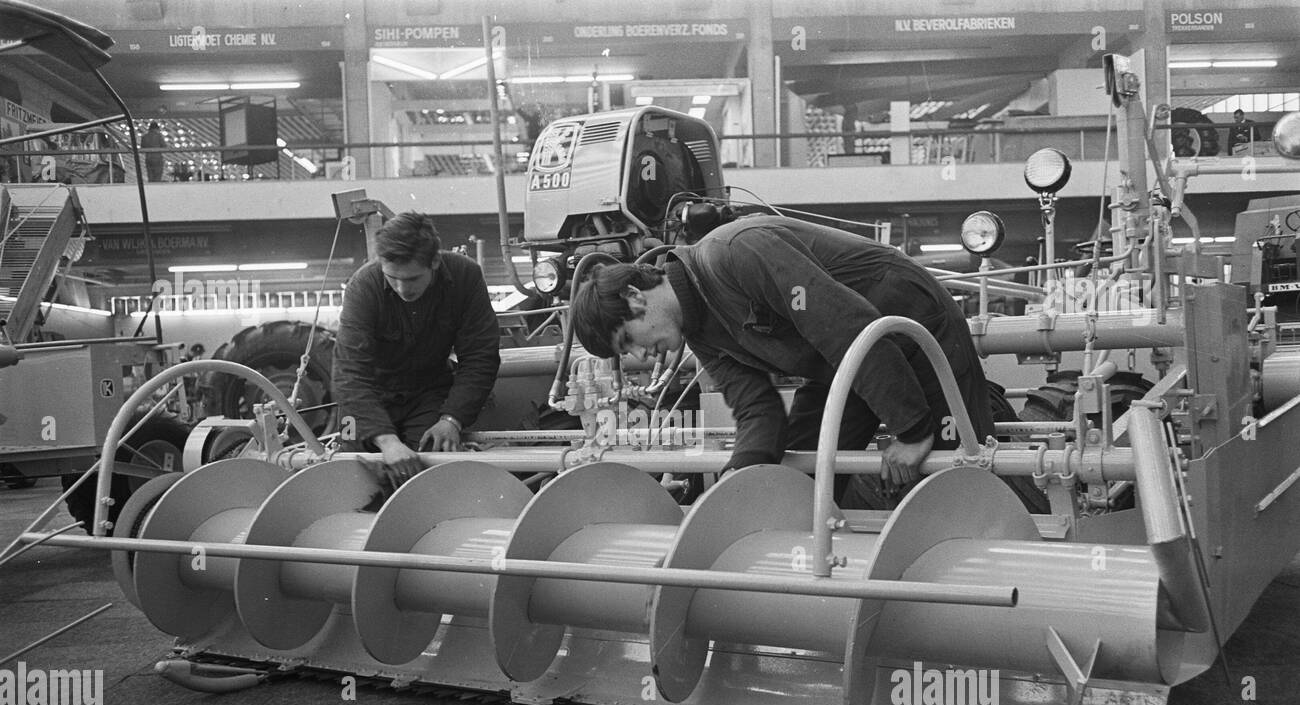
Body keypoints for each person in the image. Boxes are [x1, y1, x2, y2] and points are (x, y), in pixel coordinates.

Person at [568, 215, 996, 498]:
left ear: (634, 297)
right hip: (842, 361)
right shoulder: (699, 330)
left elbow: (843, 325)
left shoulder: (736, 253)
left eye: (628, 340)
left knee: (956, 474)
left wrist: (912, 428)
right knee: (794, 482)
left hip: (910, 323)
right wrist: (739, 480)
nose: (641, 354)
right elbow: (757, 408)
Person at [332, 212, 501, 487]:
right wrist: (386, 441)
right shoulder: (363, 285)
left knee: (429, 465)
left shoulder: (465, 277)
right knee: (350, 464)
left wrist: (452, 419)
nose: (401, 288)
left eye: (411, 279)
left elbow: (480, 356)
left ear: (435, 261)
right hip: (363, 399)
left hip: (428, 393)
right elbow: (348, 372)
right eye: (392, 278)